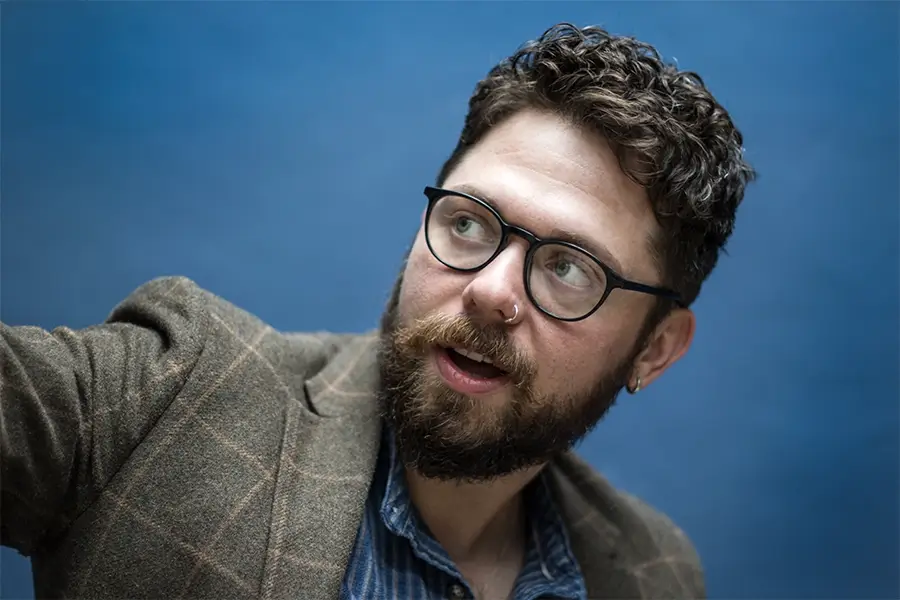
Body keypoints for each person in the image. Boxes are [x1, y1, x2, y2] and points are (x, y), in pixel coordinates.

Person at [1, 22, 755, 600]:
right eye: (469, 223)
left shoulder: (655, 572)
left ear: (655, 349)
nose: (492, 291)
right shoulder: (168, 394)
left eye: (567, 267)